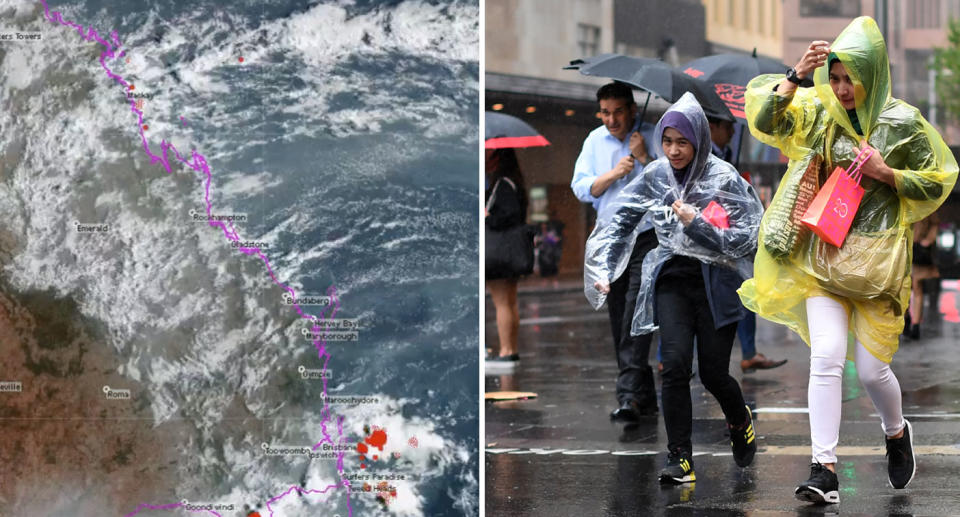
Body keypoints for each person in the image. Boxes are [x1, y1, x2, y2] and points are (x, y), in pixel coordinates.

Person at [740, 16, 958, 503]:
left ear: (873, 74)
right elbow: (765, 122)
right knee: (827, 358)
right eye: (834, 78)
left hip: (879, 268)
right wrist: (796, 76)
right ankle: (825, 469)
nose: (840, 89)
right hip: (824, 258)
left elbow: (939, 180)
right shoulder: (818, 111)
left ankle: (896, 432)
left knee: (875, 371)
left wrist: (888, 174)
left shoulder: (903, 122)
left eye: (850, 78)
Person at [585, 92, 764, 484]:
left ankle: (739, 418)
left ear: (699, 140)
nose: (674, 150)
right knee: (675, 365)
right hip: (672, 280)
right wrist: (606, 269)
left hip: (717, 284)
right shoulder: (655, 176)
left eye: (682, 142)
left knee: (715, 374)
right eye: (667, 142)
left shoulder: (723, 178)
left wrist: (696, 222)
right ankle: (680, 457)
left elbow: (745, 239)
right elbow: (622, 221)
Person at [571, 82, 660, 421]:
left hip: (647, 237)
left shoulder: (651, 136)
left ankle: (629, 395)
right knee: (619, 313)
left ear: (632, 110)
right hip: (611, 238)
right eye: (605, 113)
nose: (611, 119)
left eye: (618, 112)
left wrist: (643, 159)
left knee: (637, 311)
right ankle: (643, 394)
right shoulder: (594, 141)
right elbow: (582, 188)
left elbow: (669, 184)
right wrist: (614, 173)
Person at [707, 117, 788, 373]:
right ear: (713, 128)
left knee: (745, 290)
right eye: (728, 127)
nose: (732, 132)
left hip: (731, 235)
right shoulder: (702, 153)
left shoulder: (727, 153)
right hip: (707, 235)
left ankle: (749, 352)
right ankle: (670, 356)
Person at [485, 148, 528, 369]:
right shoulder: (514, 182)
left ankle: (506, 351)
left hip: (499, 253)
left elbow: (507, 216)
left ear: (498, 158)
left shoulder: (502, 184)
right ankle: (509, 350)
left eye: (488, 154)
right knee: (509, 303)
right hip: (509, 253)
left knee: (502, 303)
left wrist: (487, 216)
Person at [907, 212, 940, 339]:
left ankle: (915, 325)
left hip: (919, 250)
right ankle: (906, 318)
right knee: (903, 287)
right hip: (903, 248)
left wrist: (928, 240)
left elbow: (935, 223)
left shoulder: (925, 200)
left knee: (916, 286)